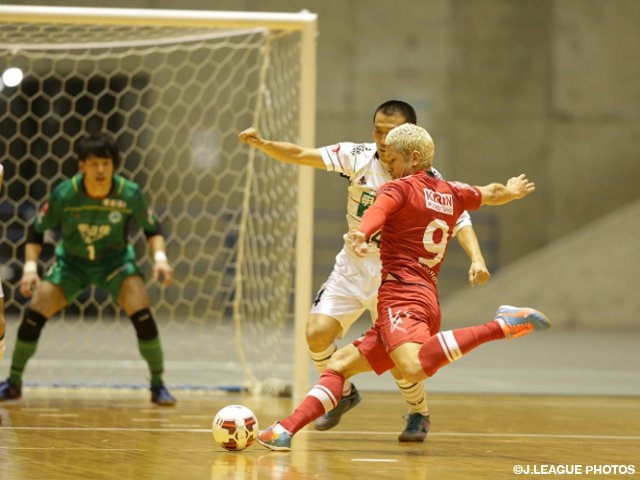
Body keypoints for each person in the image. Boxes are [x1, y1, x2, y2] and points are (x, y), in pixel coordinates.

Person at [256, 123, 551, 451]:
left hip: (402, 297)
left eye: (393, 160)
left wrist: (362, 233)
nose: (388, 166)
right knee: (338, 366)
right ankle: (284, 430)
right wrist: (510, 191)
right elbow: (490, 193)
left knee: (411, 367)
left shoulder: (397, 189)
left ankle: (501, 325)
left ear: (412, 158)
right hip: (420, 297)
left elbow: (378, 212)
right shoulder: (451, 191)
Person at [239, 100, 490, 442]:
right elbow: (301, 154)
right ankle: (341, 395)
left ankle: (418, 412)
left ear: (409, 137)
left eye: (390, 132)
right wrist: (265, 144)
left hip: (397, 274)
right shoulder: (356, 155)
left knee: (404, 361)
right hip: (353, 266)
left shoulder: (428, 179)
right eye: (377, 130)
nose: (382, 139)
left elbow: (461, 220)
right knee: (316, 332)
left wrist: (476, 258)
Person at [0, 132, 177, 406]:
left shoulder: (129, 193)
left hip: (116, 265)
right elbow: (36, 231)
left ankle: (158, 385)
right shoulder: (64, 193)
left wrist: (161, 258)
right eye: (94, 164)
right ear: (81, 165)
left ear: (115, 165)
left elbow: (152, 229)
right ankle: (13, 383)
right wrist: (30, 268)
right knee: (34, 313)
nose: (101, 170)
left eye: (106, 163)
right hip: (71, 265)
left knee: (143, 315)